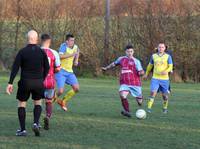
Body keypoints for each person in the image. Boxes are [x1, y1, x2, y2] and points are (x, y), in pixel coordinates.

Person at [6, 30, 50, 136]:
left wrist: (10, 83)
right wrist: (42, 78)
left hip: (25, 82)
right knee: (38, 102)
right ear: (37, 39)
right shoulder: (41, 52)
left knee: (22, 104)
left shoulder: (22, 52)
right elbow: (47, 67)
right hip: (38, 82)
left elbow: (15, 68)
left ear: (27, 38)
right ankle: (35, 123)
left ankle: (23, 130)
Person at [102, 45, 144, 118]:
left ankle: (139, 100)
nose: (130, 53)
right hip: (124, 83)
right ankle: (127, 111)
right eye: (128, 51)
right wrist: (106, 68)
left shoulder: (136, 61)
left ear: (133, 52)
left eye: (131, 51)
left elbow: (141, 71)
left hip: (135, 83)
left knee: (140, 102)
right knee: (122, 95)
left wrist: (141, 73)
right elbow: (113, 64)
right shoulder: (121, 59)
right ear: (125, 52)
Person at [143, 42, 173, 114]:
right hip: (155, 78)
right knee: (153, 92)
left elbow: (171, 67)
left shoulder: (168, 56)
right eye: (159, 47)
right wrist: (146, 74)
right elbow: (150, 66)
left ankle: (165, 108)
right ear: (157, 48)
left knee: (164, 96)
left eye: (162, 47)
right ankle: (149, 108)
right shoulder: (153, 56)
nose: (161, 48)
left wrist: (166, 71)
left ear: (165, 48)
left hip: (165, 79)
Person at [54, 33, 80, 111]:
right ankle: (50, 101)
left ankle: (63, 101)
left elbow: (77, 51)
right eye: (71, 40)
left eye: (73, 40)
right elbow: (60, 56)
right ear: (67, 41)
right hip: (61, 71)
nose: (73, 42)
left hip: (69, 72)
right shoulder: (63, 46)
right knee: (60, 91)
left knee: (76, 89)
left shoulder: (75, 47)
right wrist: (71, 55)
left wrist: (76, 60)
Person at [41, 34, 61, 130]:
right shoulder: (54, 53)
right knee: (49, 101)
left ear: (41, 41)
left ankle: (36, 121)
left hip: (38, 81)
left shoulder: (37, 51)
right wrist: (52, 71)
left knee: (37, 101)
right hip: (49, 81)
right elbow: (58, 68)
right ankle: (48, 116)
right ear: (49, 42)